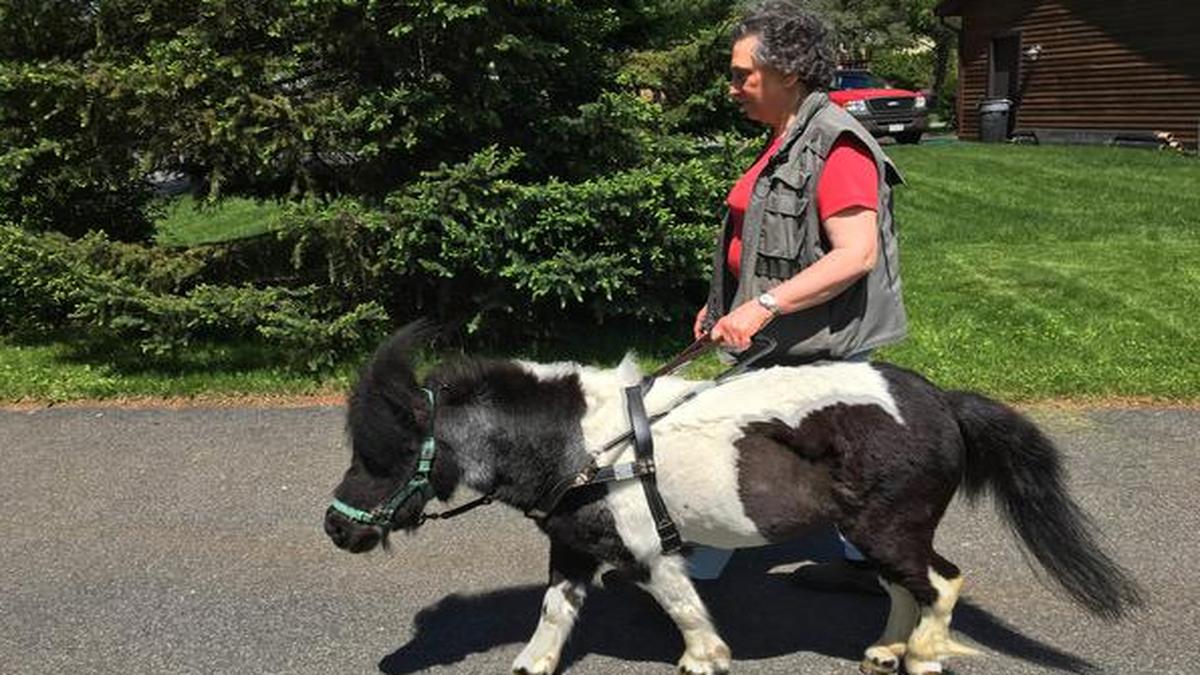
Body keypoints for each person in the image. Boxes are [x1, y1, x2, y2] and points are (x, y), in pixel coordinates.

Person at [687, 0, 908, 595]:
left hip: (815, 346)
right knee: (828, 460)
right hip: (779, 340)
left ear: (787, 73)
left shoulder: (837, 146)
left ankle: (697, 575)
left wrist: (762, 306)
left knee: (738, 446)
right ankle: (864, 566)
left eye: (742, 75)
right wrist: (724, 300)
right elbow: (762, 237)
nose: (731, 86)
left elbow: (854, 254)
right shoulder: (785, 137)